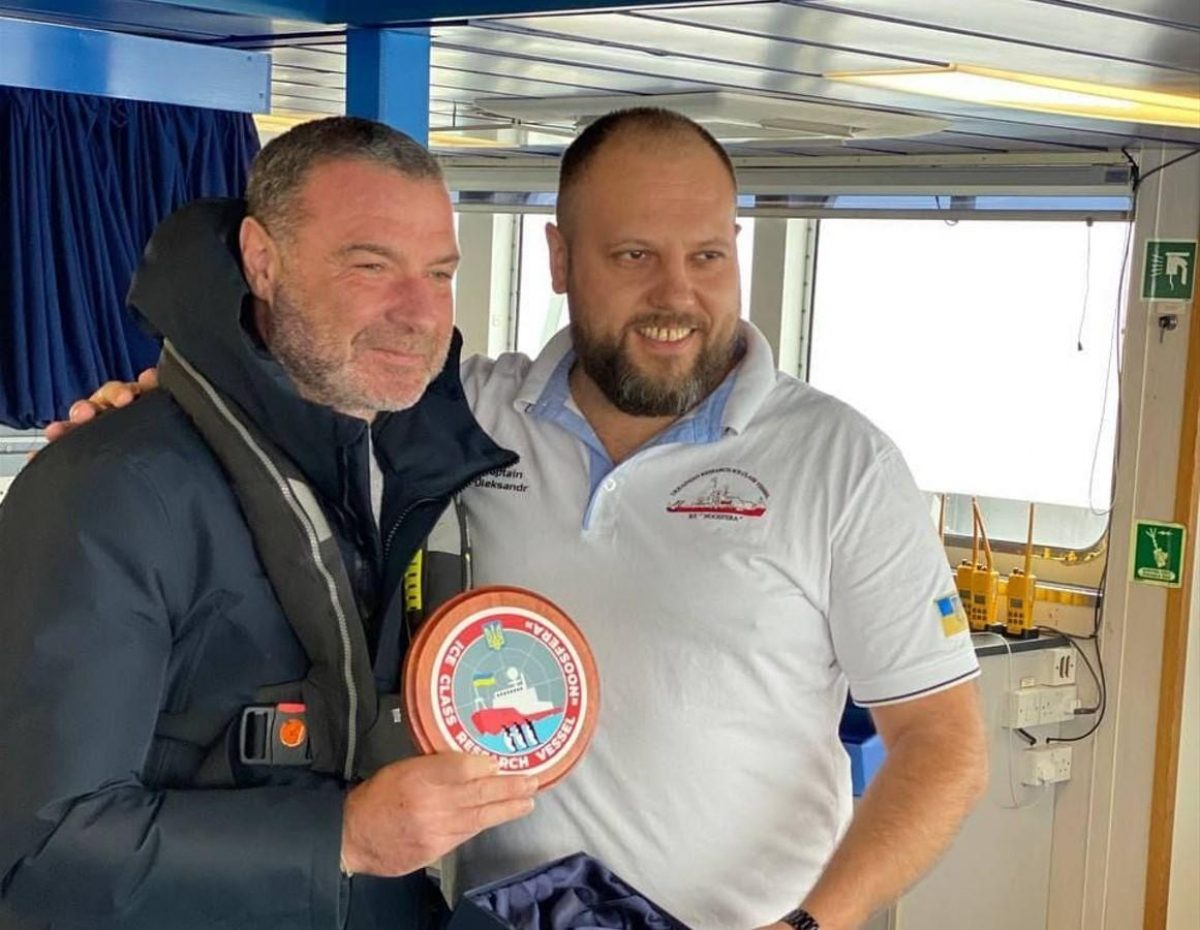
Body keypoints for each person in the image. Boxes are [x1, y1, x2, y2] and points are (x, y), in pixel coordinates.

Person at [46, 109, 988, 930]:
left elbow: (944, 745)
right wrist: (162, 409)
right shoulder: (462, 416)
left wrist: (812, 924)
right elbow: (298, 383)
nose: (676, 295)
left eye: (708, 255)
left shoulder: (842, 464)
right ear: (560, 260)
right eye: (634, 256)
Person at [0, 117, 538, 930]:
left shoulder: (404, 466)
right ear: (262, 260)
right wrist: (342, 837)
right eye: (371, 265)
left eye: (439, 272)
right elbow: (36, 855)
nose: (420, 313)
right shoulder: (111, 487)